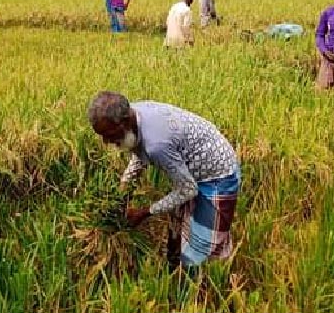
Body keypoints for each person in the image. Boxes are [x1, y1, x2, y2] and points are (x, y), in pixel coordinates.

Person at [88, 91, 241, 274]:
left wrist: (145, 212)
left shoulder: (157, 145)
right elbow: (139, 153)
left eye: (110, 135)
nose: (107, 142)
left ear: (126, 122)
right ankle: (177, 274)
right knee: (179, 231)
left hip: (218, 174)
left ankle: (213, 286)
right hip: (191, 171)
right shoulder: (135, 115)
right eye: (102, 136)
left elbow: (187, 189)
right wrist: (124, 187)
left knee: (207, 243)